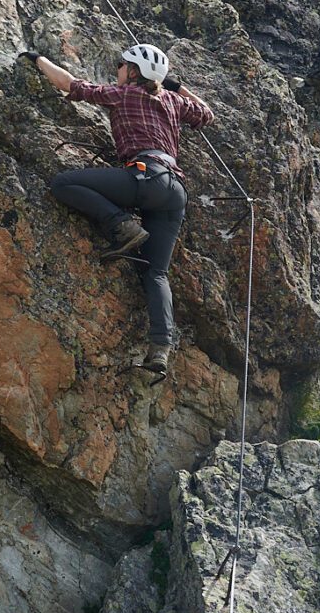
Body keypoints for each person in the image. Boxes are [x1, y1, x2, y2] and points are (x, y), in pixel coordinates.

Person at [20, 42, 215, 377]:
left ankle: (122, 225)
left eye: (122, 66)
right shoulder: (172, 100)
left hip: (144, 177)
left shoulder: (122, 94)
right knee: (155, 273)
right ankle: (160, 350)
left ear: (134, 72)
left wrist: (38, 59)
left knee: (63, 183)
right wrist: (175, 84)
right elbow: (207, 114)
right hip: (175, 192)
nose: (118, 70)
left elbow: (70, 84)